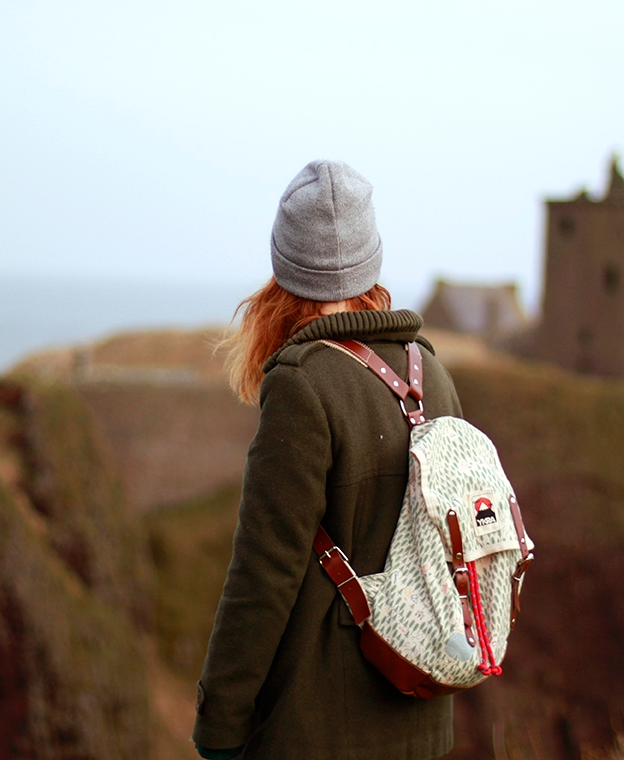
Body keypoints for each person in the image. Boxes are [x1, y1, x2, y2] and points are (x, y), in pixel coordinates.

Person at [192, 160, 462, 760]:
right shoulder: (432, 372)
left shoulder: (302, 384)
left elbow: (263, 575)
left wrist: (220, 727)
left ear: (285, 267)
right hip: (423, 710)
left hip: (319, 729)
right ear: (371, 260)